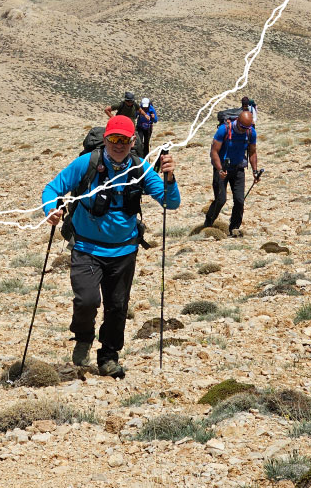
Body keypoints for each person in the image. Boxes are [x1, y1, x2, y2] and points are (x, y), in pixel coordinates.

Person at [42, 115, 180, 378]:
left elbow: (170, 203)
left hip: (124, 251)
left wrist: (170, 177)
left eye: (124, 140)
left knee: (117, 307)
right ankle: (83, 338)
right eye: (113, 139)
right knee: (87, 300)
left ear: (133, 141)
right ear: (105, 140)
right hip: (86, 247)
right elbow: (52, 189)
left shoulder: (140, 169)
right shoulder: (88, 163)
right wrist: (52, 209)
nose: (118, 145)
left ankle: (108, 356)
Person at [204, 109, 259, 236]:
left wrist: (255, 171)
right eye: (242, 127)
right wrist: (219, 169)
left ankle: (234, 227)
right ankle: (208, 223)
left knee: (239, 200)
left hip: (238, 168)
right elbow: (214, 152)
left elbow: (252, 152)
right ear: (237, 121)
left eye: (247, 127)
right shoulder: (224, 129)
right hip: (222, 168)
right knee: (221, 199)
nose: (244, 130)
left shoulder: (251, 132)